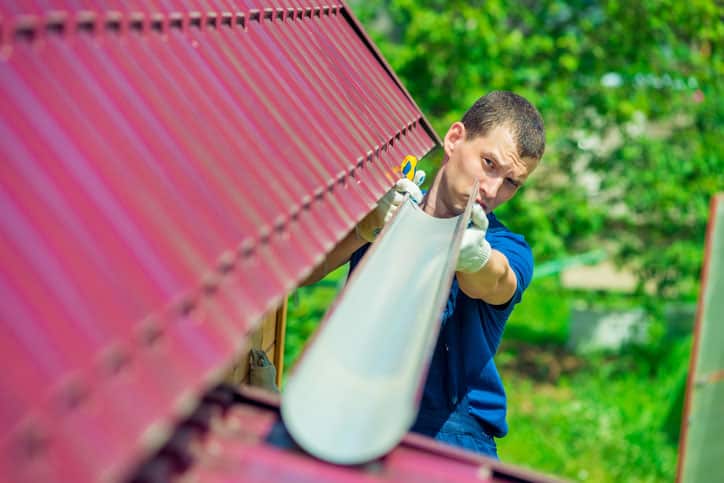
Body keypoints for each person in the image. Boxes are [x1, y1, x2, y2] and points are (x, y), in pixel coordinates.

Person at [303, 91, 545, 459]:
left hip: (453, 435)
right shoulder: (385, 207)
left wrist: (474, 256)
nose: (494, 190)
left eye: (512, 182)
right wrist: (364, 229)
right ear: (454, 139)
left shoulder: (506, 246)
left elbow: (497, 281)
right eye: (489, 163)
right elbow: (303, 270)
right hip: (354, 411)